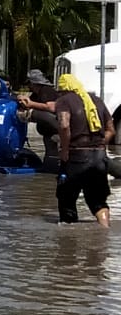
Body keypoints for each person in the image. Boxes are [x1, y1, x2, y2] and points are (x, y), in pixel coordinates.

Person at [50, 73, 114, 227]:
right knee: (98, 201)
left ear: (62, 90)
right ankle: (104, 233)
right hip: (99, 156)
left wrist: (64, 150)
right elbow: (111, 130)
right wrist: (98, 146)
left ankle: (68, 241)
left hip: (76, 157)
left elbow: (64, 125)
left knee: (67, 199)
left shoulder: (64, 101)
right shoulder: (97, 101)